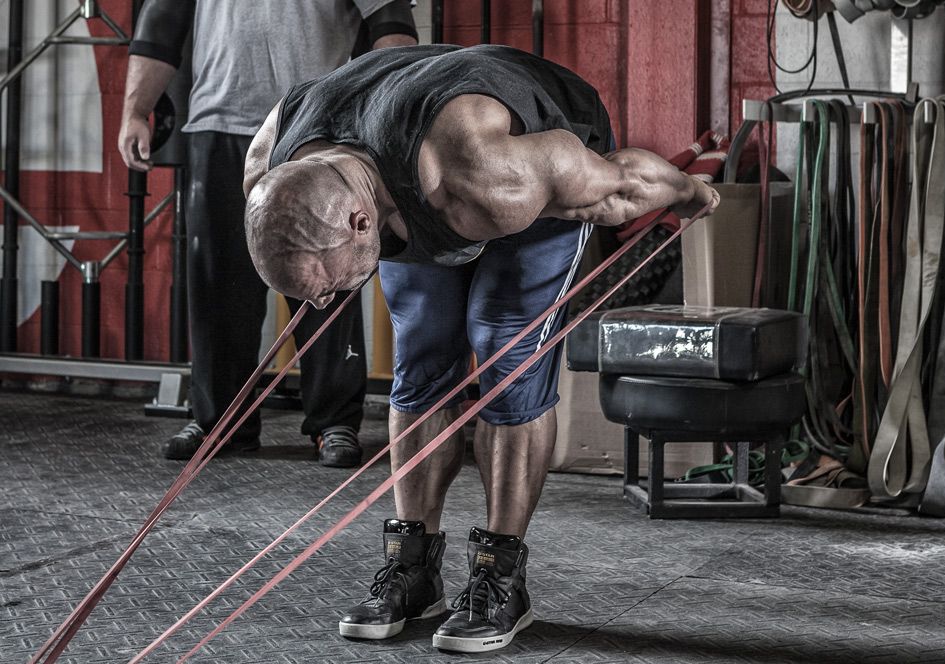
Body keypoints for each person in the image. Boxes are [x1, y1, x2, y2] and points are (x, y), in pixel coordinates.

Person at [243, 44, 720, 653]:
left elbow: (620, 187)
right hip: (405, 149)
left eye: (330, 285)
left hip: (527, 152)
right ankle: (413, 569)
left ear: (362, 224)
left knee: (505, 359)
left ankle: (501, 577)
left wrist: (685, 190)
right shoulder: (270, 170)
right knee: (421, 360)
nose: (321, 306)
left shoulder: (484, 174)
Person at [117, 0, 418, 467]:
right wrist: (135, 110)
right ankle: (221, 424)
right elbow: (161, 25)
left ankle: (334, 421)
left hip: (317, 128)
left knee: (328, 274)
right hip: (219, 123)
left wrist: (389, 115)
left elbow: (392, 26)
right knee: (219, 285)